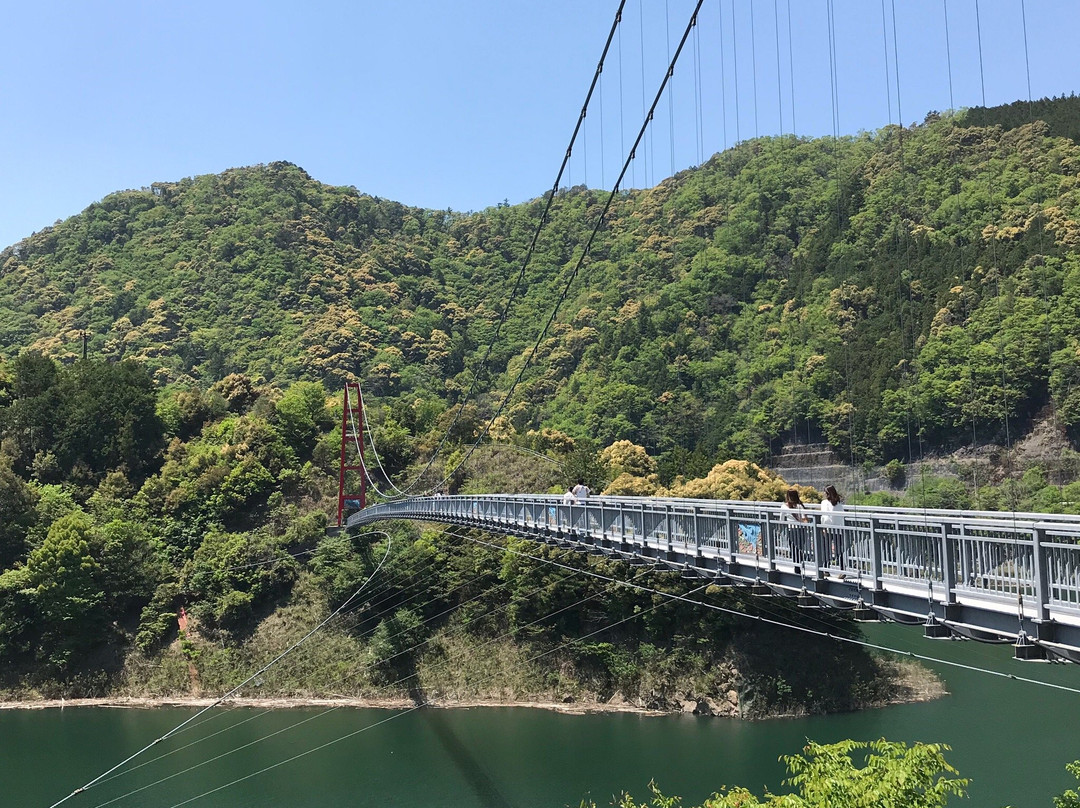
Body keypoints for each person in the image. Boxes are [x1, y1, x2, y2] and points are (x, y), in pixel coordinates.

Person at [780, 487, 808, 564]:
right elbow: (804, 519)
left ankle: (797, 565)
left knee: (793, 547)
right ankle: (800, 562)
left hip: (791, 529)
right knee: (800, 547)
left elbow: (781, 520)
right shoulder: (800, 506)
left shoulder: (784, 506)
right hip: (801, 529)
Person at [820, 484, 844, 569]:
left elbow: (824, 516)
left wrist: (823, 527)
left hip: (828, 528)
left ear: (827, 493)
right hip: (839, 528)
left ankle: (826, 568)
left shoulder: (824, 503)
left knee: (826, 549)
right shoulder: (839, 502)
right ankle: (842, 568)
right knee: (839, 550)